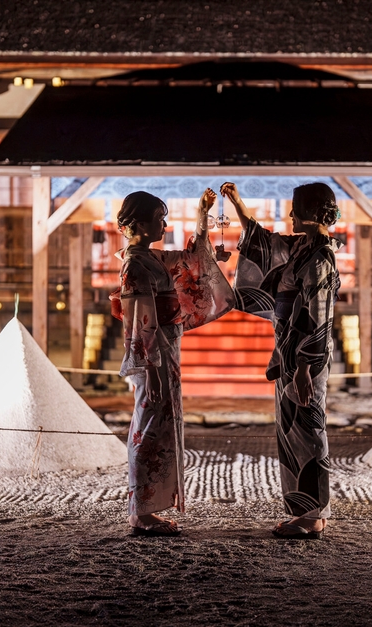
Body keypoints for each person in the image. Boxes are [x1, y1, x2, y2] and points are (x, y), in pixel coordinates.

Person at [221, 181, 341, 540]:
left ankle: (312, 513)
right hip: (292, 351)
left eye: (298, 209)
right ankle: (305, 511)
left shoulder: (320, 258)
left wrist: (305, 366)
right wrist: (238, 205)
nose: (291, 215)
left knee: (308, 428)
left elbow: (317, 315)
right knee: (294, 431)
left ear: (316, 213)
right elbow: (264, 241)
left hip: (306, 354)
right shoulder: (304, 248)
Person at [115, 189, 234, 537]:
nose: (164, 226)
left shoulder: (149, 259)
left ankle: (149, 507)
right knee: (149, 426)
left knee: (158, 425)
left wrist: (201, 215)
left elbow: (191, 260)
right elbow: (140, 322)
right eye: (158, 219)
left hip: (165, 351)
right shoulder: (136, 265)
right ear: (137, 223)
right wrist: (149, 368)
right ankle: (140, 510)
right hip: (154, 354)